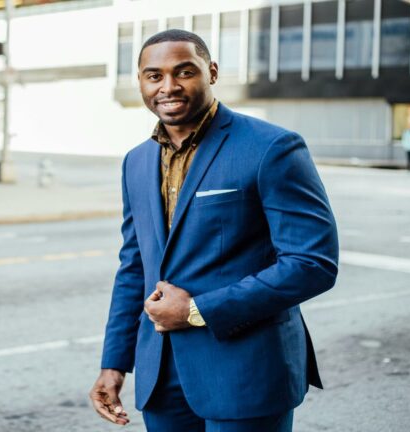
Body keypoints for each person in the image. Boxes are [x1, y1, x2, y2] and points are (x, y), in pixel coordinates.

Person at [89, 29, 339, 432]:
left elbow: (312, 264)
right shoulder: (136, 161)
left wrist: (196, 310)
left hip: (246, 371)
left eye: (184, 72)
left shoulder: (271, 147)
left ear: (212, 73)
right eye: (154, 76)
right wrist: (115, 362)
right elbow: (135, 267)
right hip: (161, 374)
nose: (168, 86)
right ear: (140, 81)